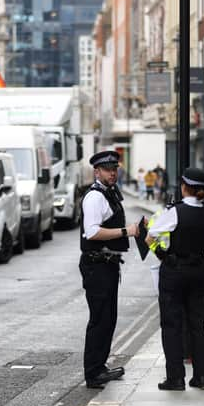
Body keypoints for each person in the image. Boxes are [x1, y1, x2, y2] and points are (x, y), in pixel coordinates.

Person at [146, 168, 204, 391]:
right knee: (197, 324)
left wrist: (161, 253)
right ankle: (201, 377)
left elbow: (151, 234)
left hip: (174, 271)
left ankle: (175, 378)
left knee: (172, 324)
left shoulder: (174, 212)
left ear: (184, 187)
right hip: (198, 271)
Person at [79, 150, 140, 388]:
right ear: (97, 172)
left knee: (108, 319)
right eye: (107, 169)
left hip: (108, 264)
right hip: (97, 265)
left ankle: (100, 366)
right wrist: (127, 231)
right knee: (100, 320)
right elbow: (92, 231)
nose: (112, 173)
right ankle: (93, 373)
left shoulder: (109, 193)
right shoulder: (94, 197)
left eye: (114, 169)